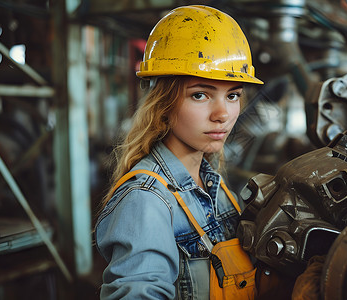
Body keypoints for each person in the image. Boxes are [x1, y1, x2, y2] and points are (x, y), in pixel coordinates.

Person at [94, 5, 263, 299]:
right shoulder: (146, 201)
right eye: (200, 94)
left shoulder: (217, 188)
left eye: (232, 95)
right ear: (164, 103)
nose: (222, 114)